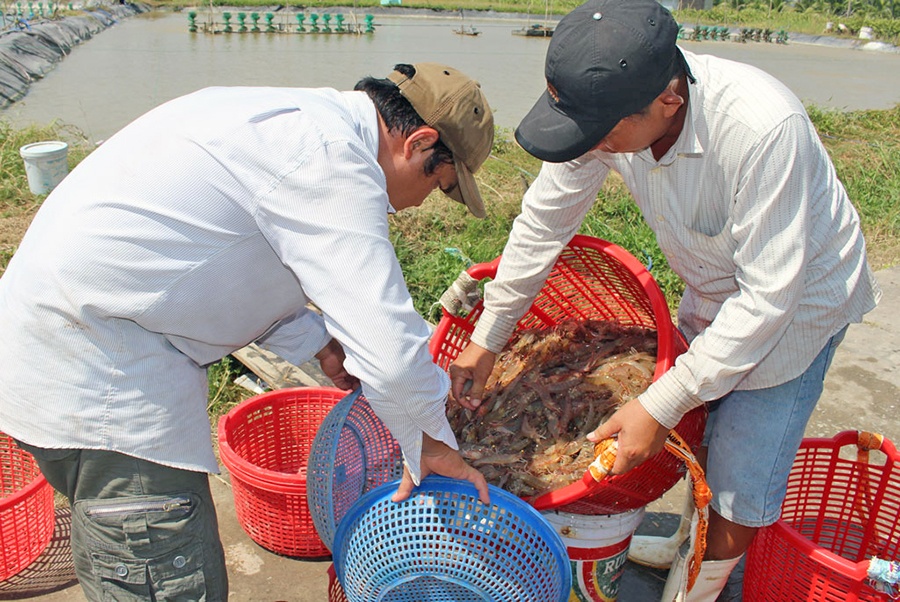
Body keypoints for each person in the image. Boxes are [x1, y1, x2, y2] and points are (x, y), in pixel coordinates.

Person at [0, 62, 492, 600]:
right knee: (163, 577)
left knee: (126, 558)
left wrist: (320, 345)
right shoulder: (328, 159)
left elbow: (227, 257)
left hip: (60, 347)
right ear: (419, 141)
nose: (422, 201)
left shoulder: (288, 121)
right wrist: (432, 446)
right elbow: (390, 347)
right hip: (103, 385)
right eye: (437, 183)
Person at [447, 1, 881, 599]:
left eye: (600, 132)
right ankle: (691, 538)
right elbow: (544, 225)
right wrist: (487, 338)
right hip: (714, 286)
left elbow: (768, 299)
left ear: (669, 101)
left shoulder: (760, 129)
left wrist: (658, 403)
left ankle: (701, 588)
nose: (590, 144)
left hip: (799, 306)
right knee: (697, 435)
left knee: (741, 472)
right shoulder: (612, 112)